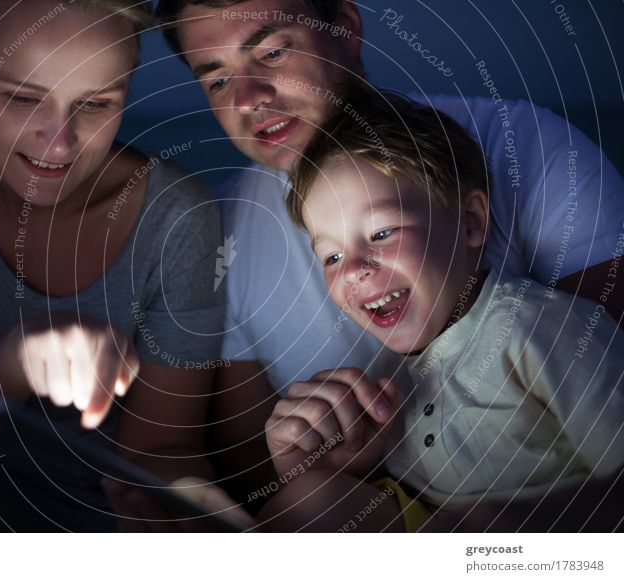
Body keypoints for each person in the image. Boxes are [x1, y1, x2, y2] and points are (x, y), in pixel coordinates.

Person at [155, 0, 624, 509]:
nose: (247, 99)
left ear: (346, 28)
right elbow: (247, 469)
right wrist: (330, 472)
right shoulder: (223, 229)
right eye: (218, 80)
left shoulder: (527, 148)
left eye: (271, 52)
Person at [0, 0, 245, 532]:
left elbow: (161, 446)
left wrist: (190, 514)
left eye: (96, 103)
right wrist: (18, 363)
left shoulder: (177, 216)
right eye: (21, 98)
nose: (59, 142)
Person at [257, 87, 624, 532]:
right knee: (308, 499)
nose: (352, 269)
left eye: (382, 232)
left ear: (470, 222)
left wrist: (511, 528)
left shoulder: (543, 331)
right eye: (331, 257)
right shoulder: (390, 376)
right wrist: (343, 471)